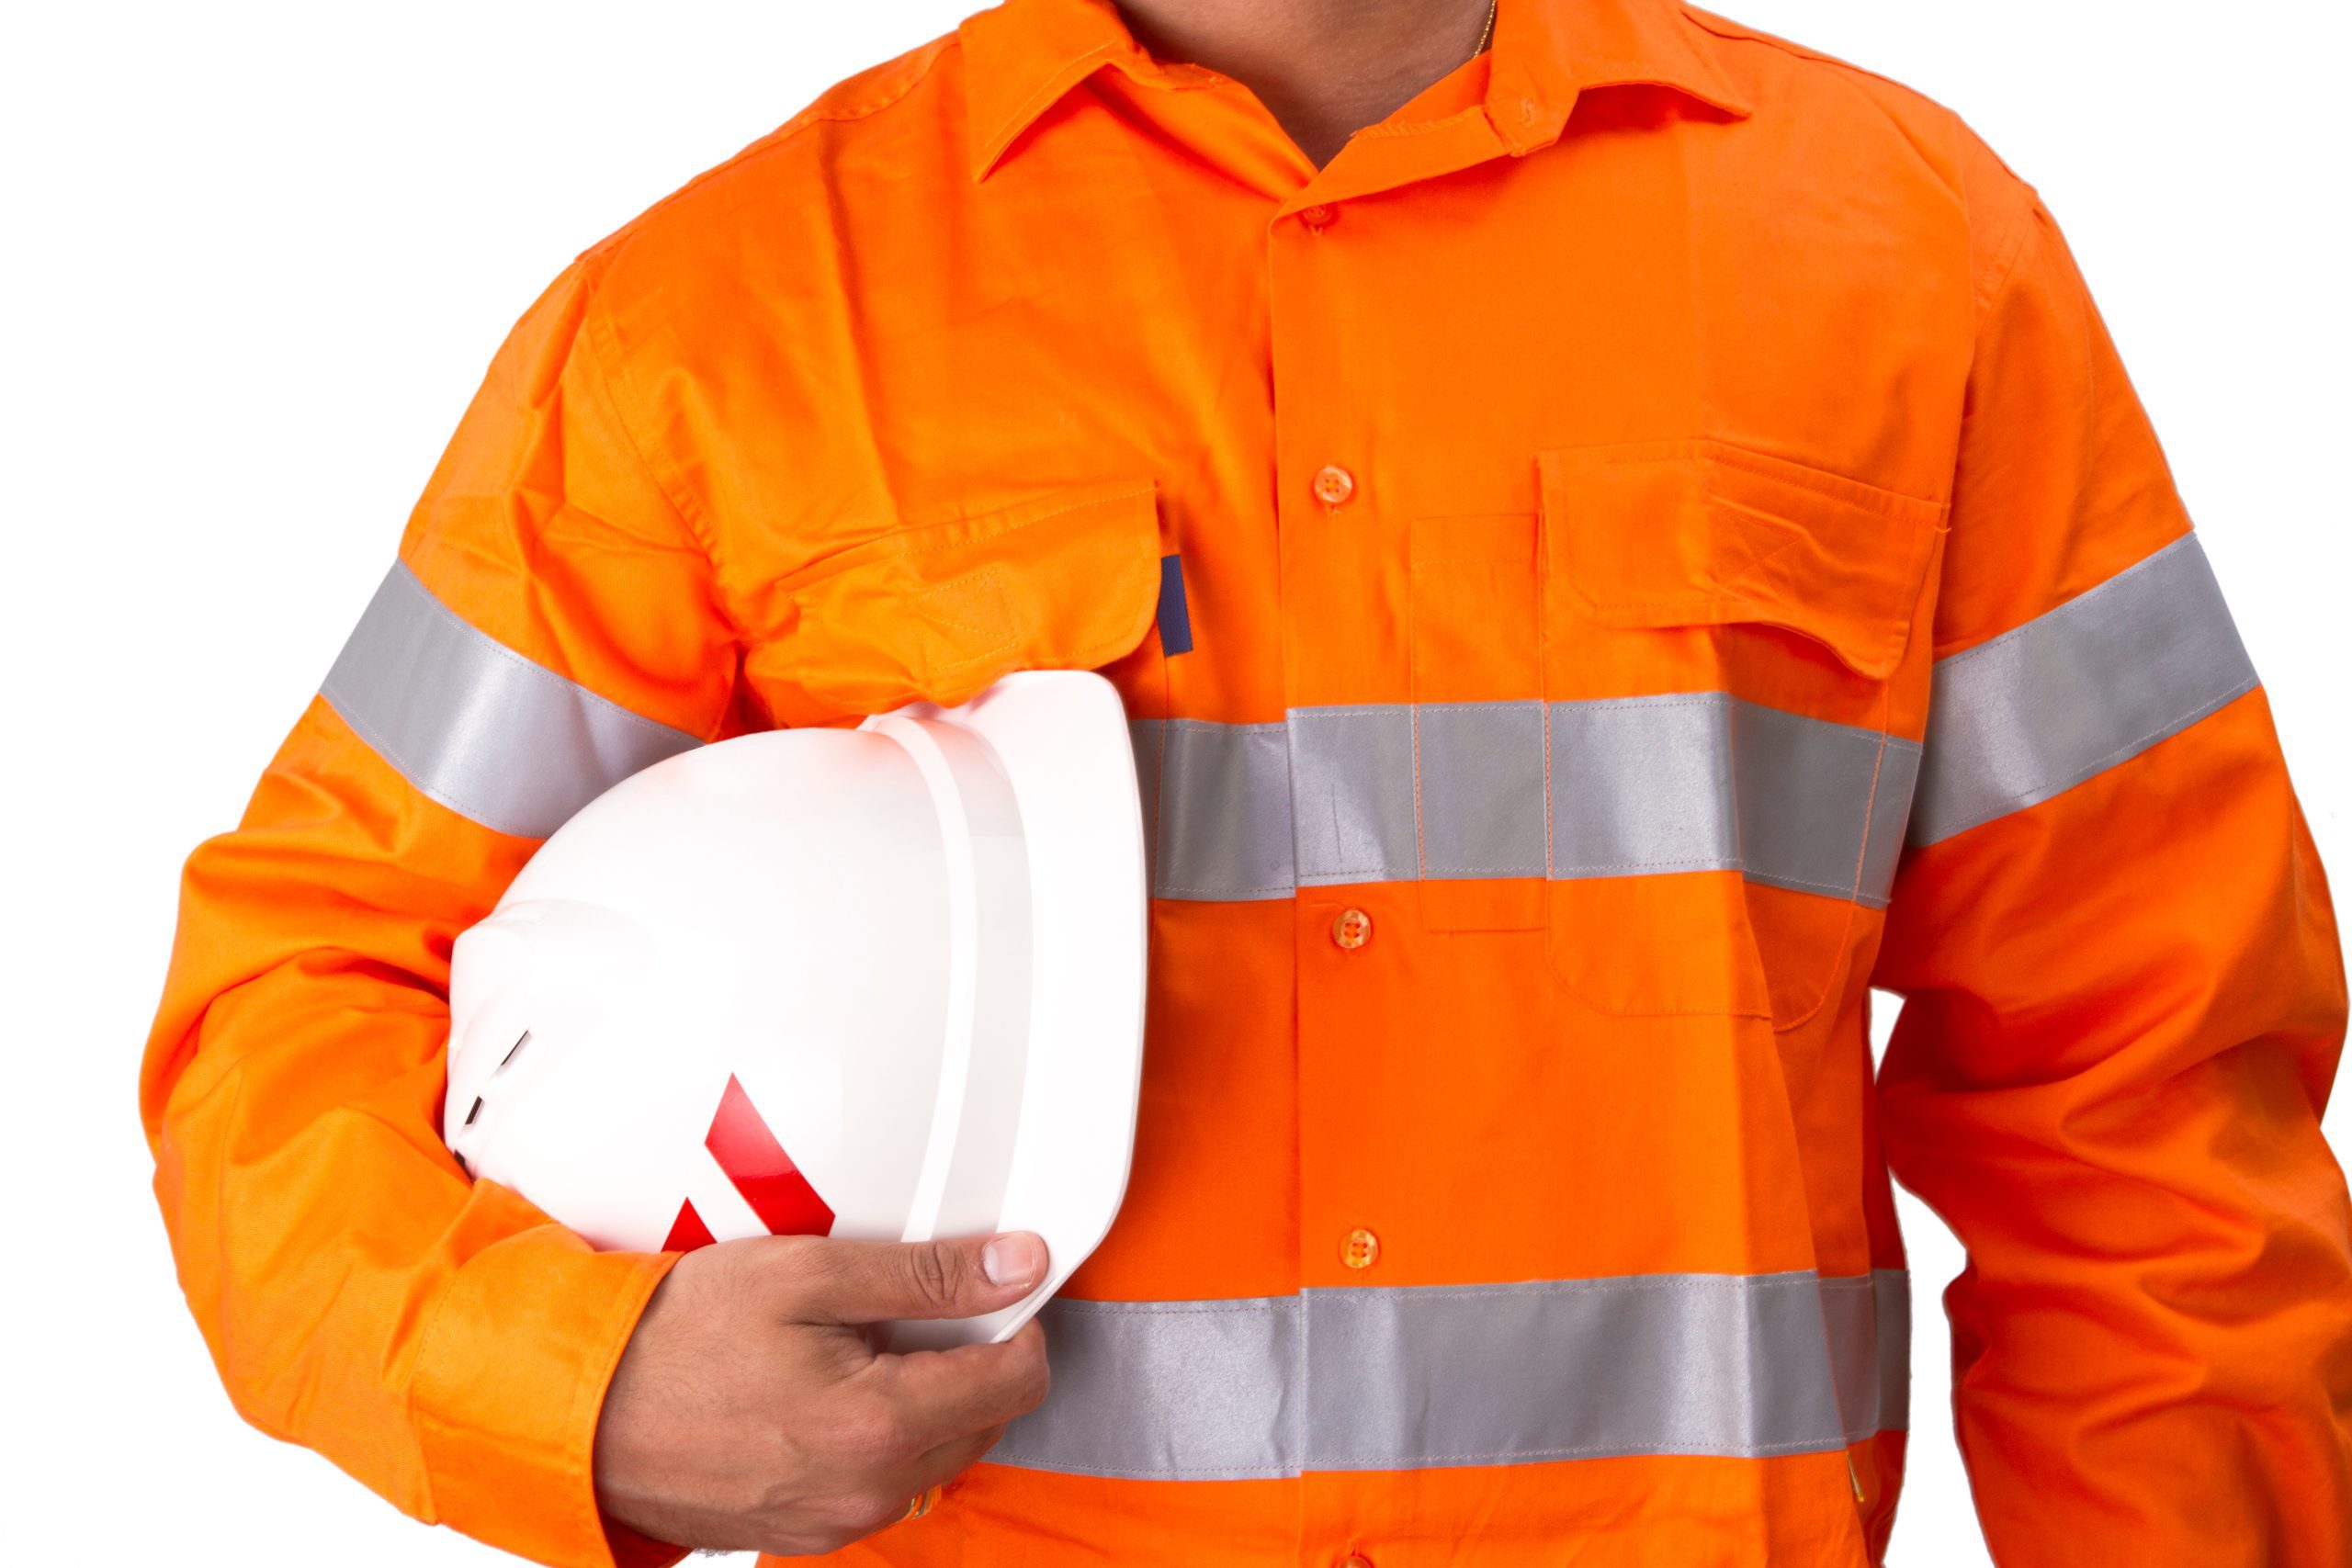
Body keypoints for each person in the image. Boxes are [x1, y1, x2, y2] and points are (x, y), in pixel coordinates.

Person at [141, 0, 2352, 1563]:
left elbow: (2145, 1100)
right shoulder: (720, 329)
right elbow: (303, 992)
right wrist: (581, 1385)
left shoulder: (1903, 261)